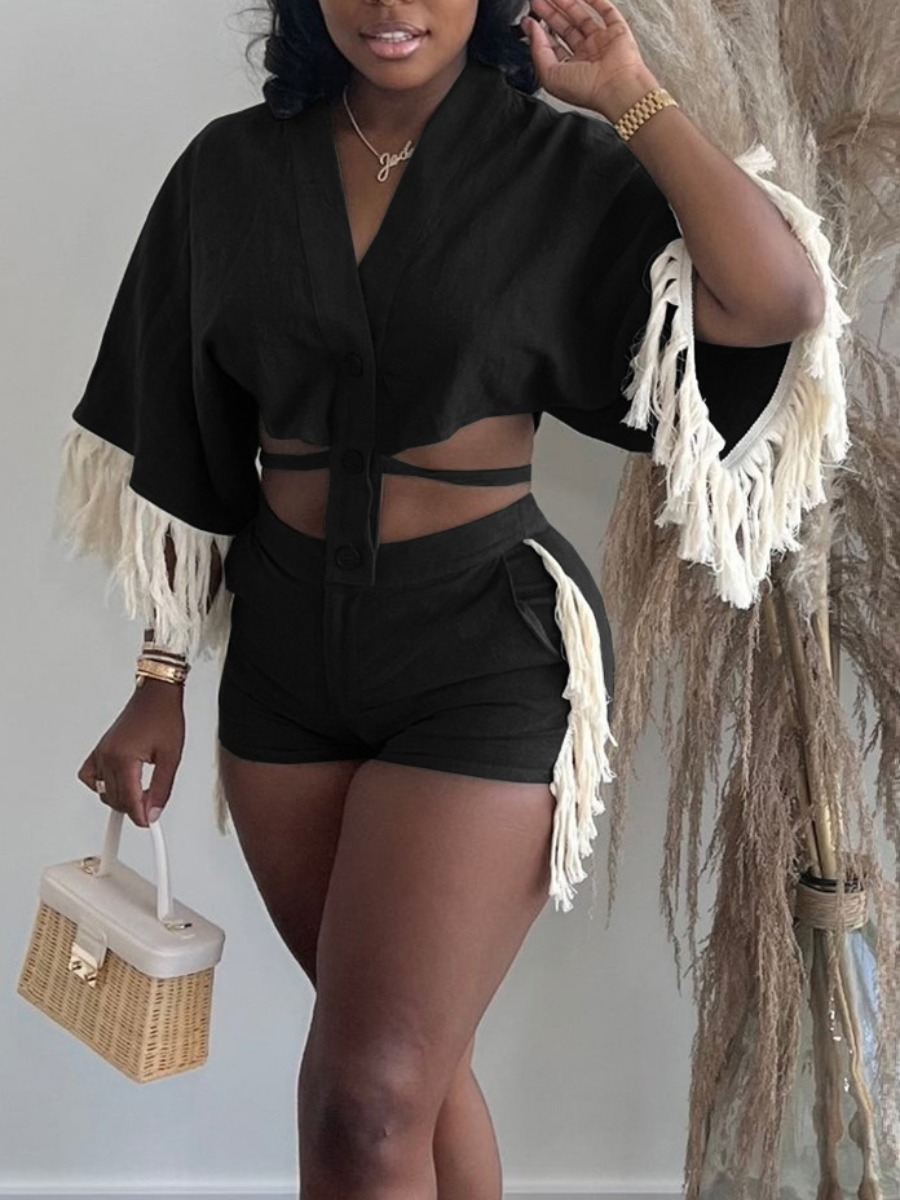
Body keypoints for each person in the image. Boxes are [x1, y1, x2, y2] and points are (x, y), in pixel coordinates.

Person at [53, 0, 848, 1192]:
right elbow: (186, 434)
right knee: (411, 1078)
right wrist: (158, 678)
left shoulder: (555, 164)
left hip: (482, 648)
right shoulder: (230, 171)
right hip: (283, 661)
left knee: (364, 1101)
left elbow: (777, 299)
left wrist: (626, 91)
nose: (391, 8)